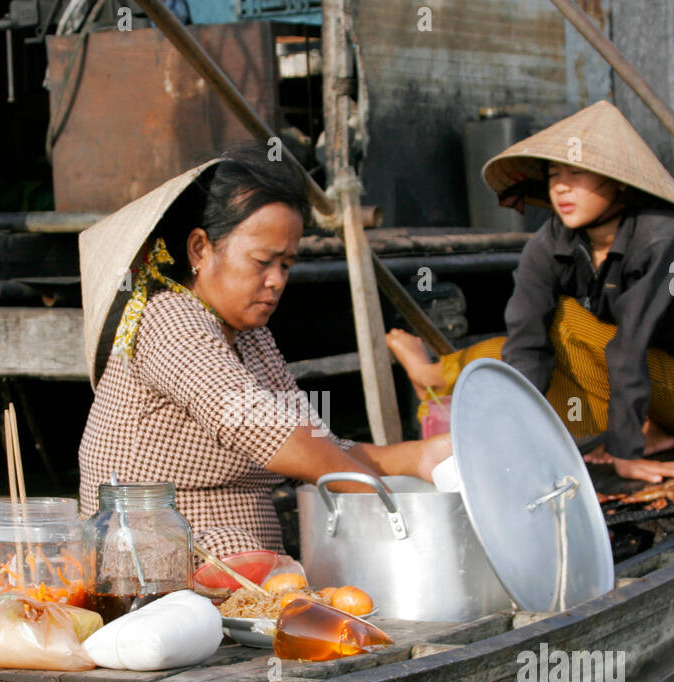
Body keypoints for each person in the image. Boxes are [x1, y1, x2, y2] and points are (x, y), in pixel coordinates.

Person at [78, 144, 450, 558]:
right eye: (262, 262)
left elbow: (315, 445)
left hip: (250, 571)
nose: (276, 281)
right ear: (201, 249)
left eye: (286, 265)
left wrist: (421, 456)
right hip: (159, 567)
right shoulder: (169, 318)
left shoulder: (252, 337)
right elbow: (251, 422)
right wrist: (384, 500)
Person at [386, 101, 674, 484]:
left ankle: (640, 430)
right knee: (514, 350)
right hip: (620, 381)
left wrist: (625, 453)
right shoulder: (550, 243)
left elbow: (629, 347)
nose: (561, 187)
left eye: (577, 173)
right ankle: (433, 374)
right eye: (554, 175)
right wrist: (518, 440)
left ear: (619, 181)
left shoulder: (662, 237)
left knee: (566, 320)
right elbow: (526, 348)